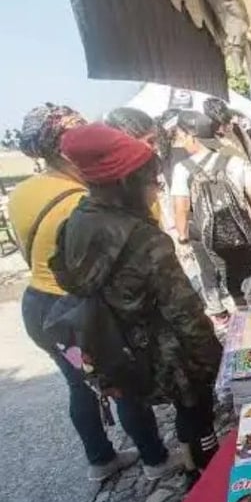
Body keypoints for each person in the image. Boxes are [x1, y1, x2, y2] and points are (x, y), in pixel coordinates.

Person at [9, 105, 180, 482]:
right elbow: (101, 274)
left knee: (79, 384)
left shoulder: (21, 193)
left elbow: (30, 253)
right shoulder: (82, 201)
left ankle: (100, 460)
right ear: (67, 149)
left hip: (40, 309)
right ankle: (155, 460)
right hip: (81, 314)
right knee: (122, 383)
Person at [50, 123, 223, 476]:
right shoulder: (143, 239)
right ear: (126, 182)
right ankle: (203, 475)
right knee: (196, 411)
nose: (155, 190)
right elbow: (186, 314)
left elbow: (69, 279)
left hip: (116, 347)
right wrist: (218, 362)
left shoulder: (76, 222)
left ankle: (188, 463)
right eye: (150, 181)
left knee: (151, 404)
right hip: (164, 352)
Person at [169, 111, 251, 306]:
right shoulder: (235, 159)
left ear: (192, 136)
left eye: (182, 137)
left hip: (213, 241)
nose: (182, 142)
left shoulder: (183, 169)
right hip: (245, 233)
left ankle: (244, 314)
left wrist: (182, 236)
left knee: (233, 284)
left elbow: (181, 208)